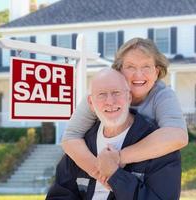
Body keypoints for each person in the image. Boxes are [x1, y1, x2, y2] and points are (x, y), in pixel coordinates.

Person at [61, 38, 188, 182]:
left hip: (146, 175)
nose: (138, 75)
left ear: (156, 72)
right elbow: (71, 137)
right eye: (131, 67)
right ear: (119, 70)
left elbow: (178, 136)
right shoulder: (102, 92)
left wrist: (119, 157)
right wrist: (100, 172)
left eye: (146, 66)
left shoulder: (163, 95)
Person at [46, 68, 181, 200]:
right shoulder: (82, 147)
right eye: (102, 94)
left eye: (116, 92)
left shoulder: (159, 147)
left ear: (129, 97)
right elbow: (59, 194)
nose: (110, 101)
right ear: (91, 103)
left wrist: (115, 176)